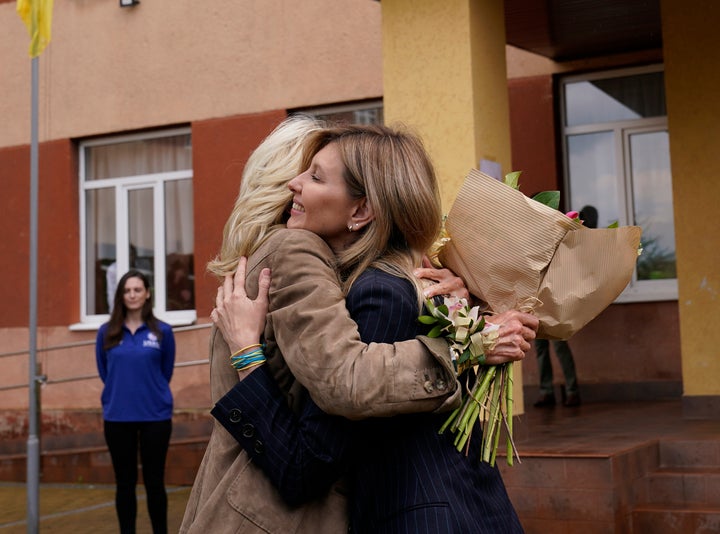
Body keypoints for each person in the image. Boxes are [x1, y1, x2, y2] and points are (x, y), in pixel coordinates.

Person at [180, 117, 537, 533]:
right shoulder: (314, 256)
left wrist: (466, 334)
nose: (296, 183)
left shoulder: (375, 286)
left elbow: (337, 407)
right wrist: (466, 343)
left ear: (362, 209)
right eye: (303, 170)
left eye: (315, 175)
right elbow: (338, 401)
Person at [96, 269, 176, 534]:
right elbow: (104, 372)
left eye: (137, 290)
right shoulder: (106, 333)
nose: (132, 295)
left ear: (147, 293)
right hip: (118, 417)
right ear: (121, 295)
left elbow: (166, 371)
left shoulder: (163, 331)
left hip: (156, 417)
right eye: (127, 290)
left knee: (155, 483)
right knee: (124, 484)